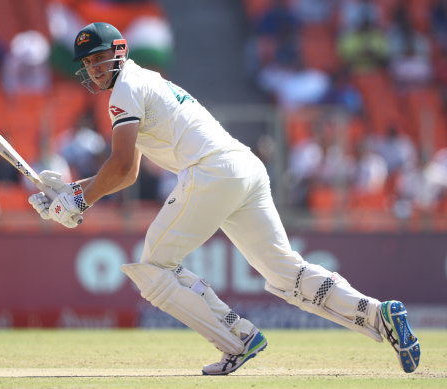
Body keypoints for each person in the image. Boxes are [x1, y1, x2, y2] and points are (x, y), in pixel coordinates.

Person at [27, 22, 420, 375]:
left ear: (120, 51)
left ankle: (238, 340)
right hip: (243, 168)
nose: (94, 69)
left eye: (99, 58)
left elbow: (125, 169)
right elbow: (124, 168)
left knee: (154, 268)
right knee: (285, 272)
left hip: (212, 171)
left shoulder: (125, 91)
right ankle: (377, 313)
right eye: (88, 63)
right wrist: (72, 190)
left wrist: (78, 203)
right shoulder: (145, 82)